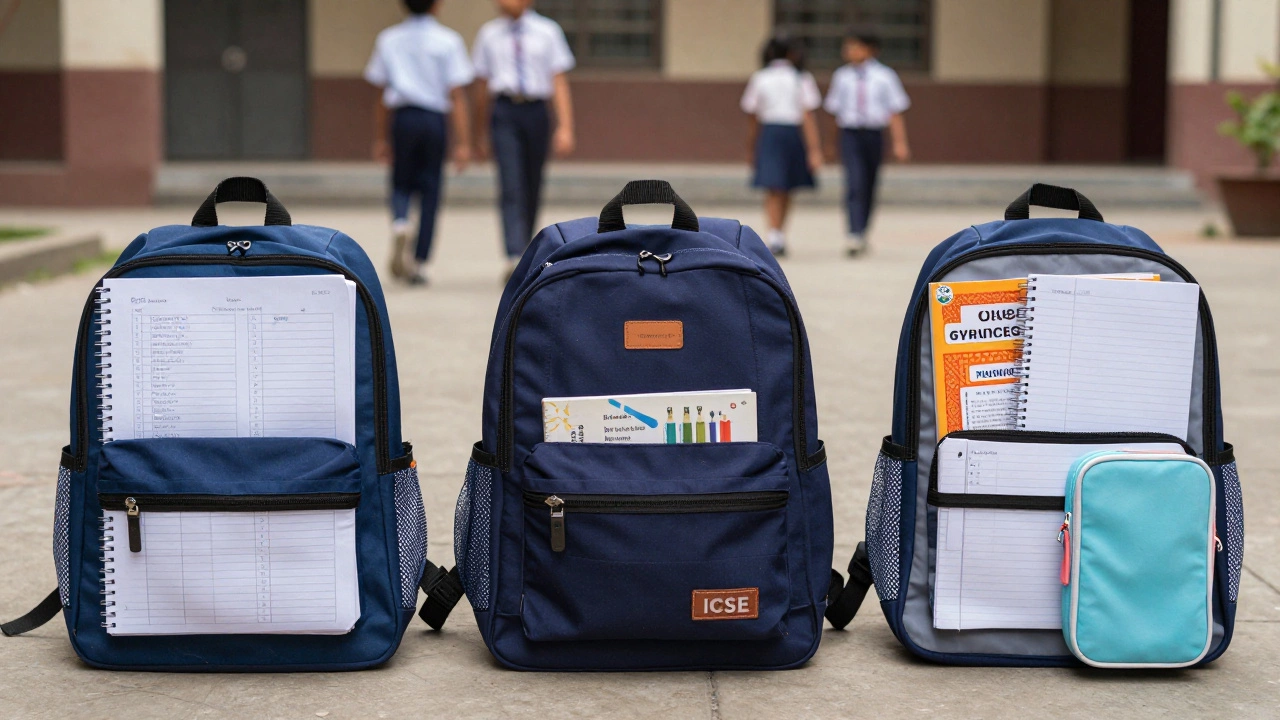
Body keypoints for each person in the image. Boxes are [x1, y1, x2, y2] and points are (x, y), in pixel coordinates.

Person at [365, 0, 475, 286]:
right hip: (434, 119)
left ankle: (401, 221)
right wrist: (463, 143)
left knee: (401, 180)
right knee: (431, 189)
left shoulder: (388, 39)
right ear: (436, 6)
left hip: (403, 117)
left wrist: (380, 138)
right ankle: (419, 262)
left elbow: (380, 94)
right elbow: (457, 95)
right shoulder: (448, 40)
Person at [472, 0, 576, 276]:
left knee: (531, 183)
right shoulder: (488, 34)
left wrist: (565, 127)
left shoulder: (548, 31)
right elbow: (481, 86)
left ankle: (525, 249)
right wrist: (479, 133)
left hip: (536, 111)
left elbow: (558, 80)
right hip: (504, 111)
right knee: (510, 183)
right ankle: (513, 253)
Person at [824, 29, 910, 256]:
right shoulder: (842, 76)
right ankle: (854, 233)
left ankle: (863, 231)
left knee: (869, 183)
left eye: (855, 46)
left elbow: (895, 111)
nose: (849, 51)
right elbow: (834, 111)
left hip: (873, 134)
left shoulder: (885, 76)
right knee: (854, 182)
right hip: (850, 134)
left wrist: (900, 143)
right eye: (847, 47)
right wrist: (830, 143)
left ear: (870, 49)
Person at [741, 35, 824, 258]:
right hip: (792, 133)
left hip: (770, 133)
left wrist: (750, 146)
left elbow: (752, 117)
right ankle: (777, 234)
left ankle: (776, 233)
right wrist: (814, 149)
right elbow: (808, 117)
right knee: (784, 186)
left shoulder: (761, 77)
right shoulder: (801, 78)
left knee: (774, 187)